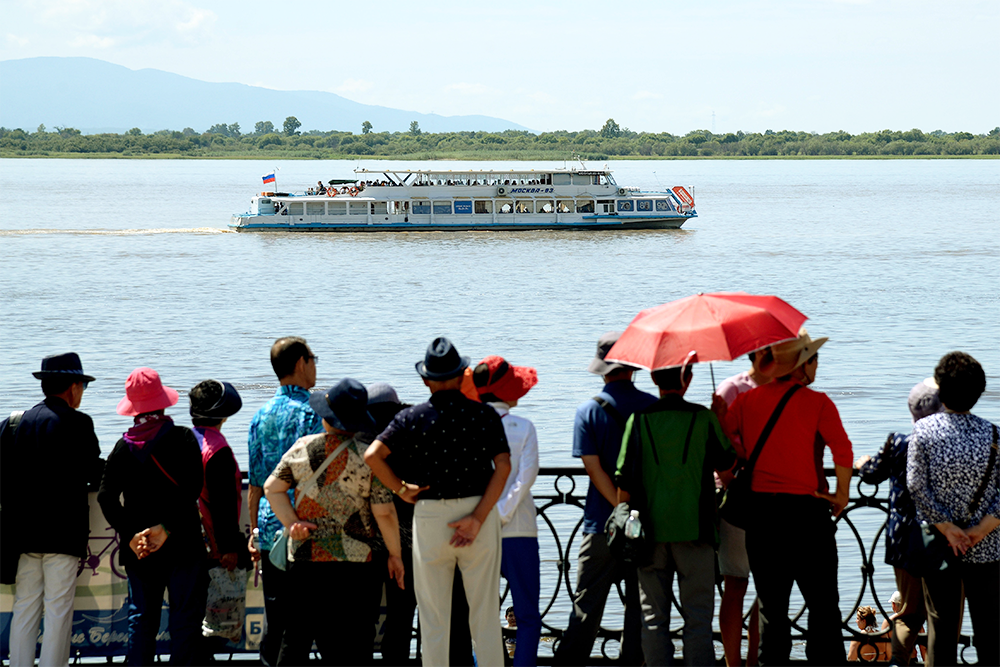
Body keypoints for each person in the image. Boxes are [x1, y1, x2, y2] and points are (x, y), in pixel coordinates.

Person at [365, 337, 511, 667]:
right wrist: (477, 517)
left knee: (433, 621)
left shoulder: (411, 418)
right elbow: (503, 466)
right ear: (462, 376)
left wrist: (401, 489)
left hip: (429, 516)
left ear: (425, 379)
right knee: (484, 617)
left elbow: (373, 455)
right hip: (478, 512)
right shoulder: (484, 415)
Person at [718, 329, 853, 666]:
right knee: (823, 606)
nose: (818, 365)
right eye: (815, 359)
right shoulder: (818, 402)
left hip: (762, 517)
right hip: (807, 516)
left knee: (772, 608)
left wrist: (724, 424)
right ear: (803, 365)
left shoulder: (747, 401)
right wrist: (841, 494)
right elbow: (843, 450)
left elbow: (724, 441)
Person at [264, 378, 404, 666]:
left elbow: (272, 488)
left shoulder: (303, 447)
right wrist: (395, 554)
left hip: (305, 559)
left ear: (327, 419)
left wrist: (292, 524)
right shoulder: (368, 456)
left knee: (296, 639)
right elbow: (385, 512)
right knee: (352, 644)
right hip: (355, 566)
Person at [615, 363, 736, 667]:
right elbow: (727, 466)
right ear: (688, 378)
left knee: (653, 620)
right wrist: (720, 416)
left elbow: (623, 479)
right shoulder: (703, 418)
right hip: (696, 531)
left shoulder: (639, 420)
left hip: (648, 535)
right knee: (698, 619)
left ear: (654, 378)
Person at [554, 332, 656, 667]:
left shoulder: (588, 411)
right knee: (640, 609)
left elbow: (592, 468)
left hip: (601, 524)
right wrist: (633, 513)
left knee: (586, 606)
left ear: (603, 369)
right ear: (632, 368)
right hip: (646, 525)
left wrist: (618, 508)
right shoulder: (652, 408)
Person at [97, 367, 206, 667]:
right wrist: (166, 527)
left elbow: (105, 496)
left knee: (142, 620)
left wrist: (131, 535)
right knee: (185, 620)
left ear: (133, 408)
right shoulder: (183, 438)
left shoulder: (122, 448)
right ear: (162, 402)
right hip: (182, 542)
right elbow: (192, 489)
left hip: (141, 550)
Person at [0, 353, 103, 667]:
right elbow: (94, 474)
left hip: (22, 535)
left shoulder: (14, 422)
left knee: (25, 607)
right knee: (58, 610)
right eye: (82, 386)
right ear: (72, 387)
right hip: (63, 534)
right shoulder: (79, 423)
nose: (82, 392)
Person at [907, 351, 1000, 667]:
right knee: (990, 629)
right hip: (987, 546)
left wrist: (947, 528)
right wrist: (979, 530)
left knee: (942, 630)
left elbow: (916, 485)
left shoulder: (924, 431)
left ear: (941, 392)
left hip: (940, 544)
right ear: (979, 391)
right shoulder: (994, 435)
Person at [855, 379, 943, 666]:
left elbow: (870, 473)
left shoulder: (899, 442)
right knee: (940, 615)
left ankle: (898, 662)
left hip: (904, 539)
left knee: (908, 613)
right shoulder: (950, 446)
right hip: (943, 538)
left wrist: (861, 463)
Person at [247, 336, 323, 667]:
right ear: (300, 363)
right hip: (301, 529)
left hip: (267, 527)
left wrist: (253, 529)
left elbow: (255, 484)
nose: (316, 365)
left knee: (275, 620)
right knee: (301, 625)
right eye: (313, 358)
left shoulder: (258, 416)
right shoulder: (312, 414)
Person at [473, 355, 542, 667]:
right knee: (527, 616)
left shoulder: (468, 425)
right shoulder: (523, 427)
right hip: (520, 531)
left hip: (476, 529)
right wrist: (502, 512)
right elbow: (526, 478)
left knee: (479, 613)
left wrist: (487, 514)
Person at [714, 350, 771, 667]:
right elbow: (717, 444)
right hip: (737, 499)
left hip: (772, 497)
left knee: (767, 586)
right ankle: (734, 662)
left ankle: (751, 661)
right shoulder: (732, 388)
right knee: (736, 584)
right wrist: (728, 479)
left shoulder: (780, 388)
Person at [189, 379, 248, 652]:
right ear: (223, 415)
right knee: (210, 624)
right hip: (214, 548)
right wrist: (229, 549)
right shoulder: (218, 450)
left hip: (189, 542)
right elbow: (224, 504)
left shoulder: (186, 440)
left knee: (189, 620)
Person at [880, 591, 927, 664]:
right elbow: (923, 646)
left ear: (893, 604)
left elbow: (884, 647)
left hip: (895, 661)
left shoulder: (888, 622)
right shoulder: (915, 620)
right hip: (912, 660)